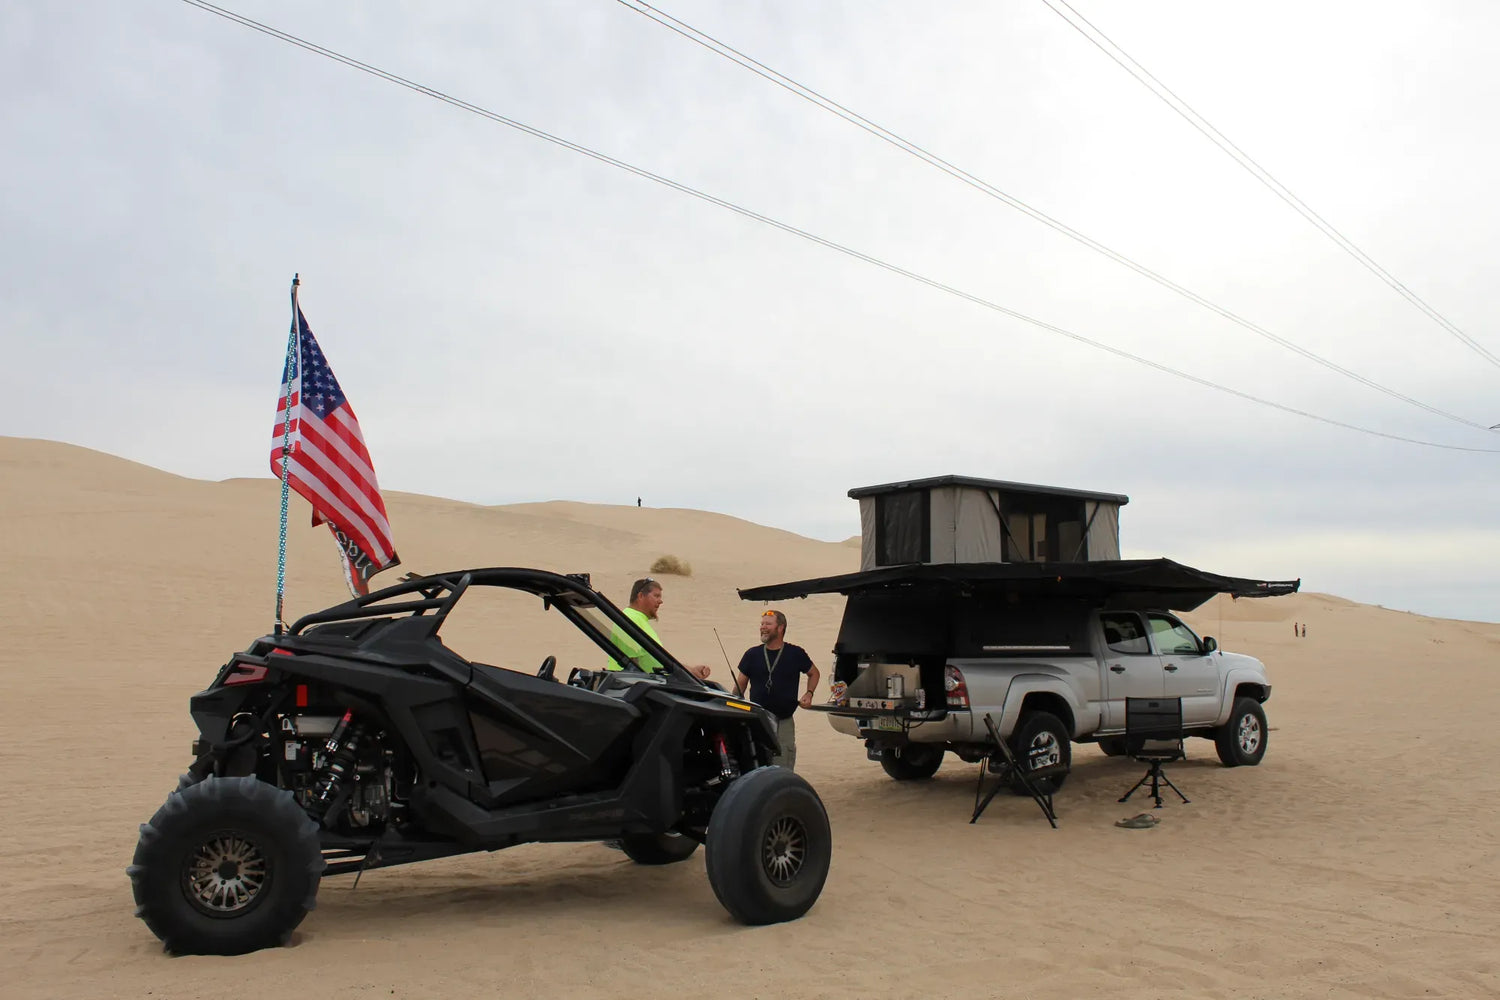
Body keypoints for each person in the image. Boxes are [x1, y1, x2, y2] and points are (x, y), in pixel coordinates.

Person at [733, 610, 820, 771]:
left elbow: (814, 673)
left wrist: (809, 693)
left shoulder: (796, 653)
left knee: (783, 767)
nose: (763, 627)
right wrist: (735, 711)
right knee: (758, 765)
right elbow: (739, 687)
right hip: (759, 720)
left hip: (784, 720)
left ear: (780, 628)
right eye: (762, 624)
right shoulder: (752, 654)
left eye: (768, 624)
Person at [606, 577, 712, 680]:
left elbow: (658, 660)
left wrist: (691, 670)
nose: (660, 601)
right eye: (656, 596)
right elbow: (633, 663)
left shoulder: (638, 619)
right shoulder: (631, 618)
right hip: (631, 686)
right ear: (641, 596)